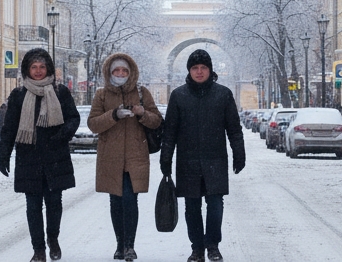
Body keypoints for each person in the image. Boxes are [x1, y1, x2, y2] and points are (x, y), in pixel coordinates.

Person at [161, 49, 244, 262]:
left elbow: (233, 128)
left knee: (215, 204)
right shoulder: (179, 95)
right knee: (192, 207)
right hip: (187, 161)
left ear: (210, 70)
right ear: (189, 70)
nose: (199, 72)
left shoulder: (223, 94)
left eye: (203, 68)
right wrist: (166, 157)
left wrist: (239, 152)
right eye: (195, 68)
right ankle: (197, 248)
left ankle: (213, 245)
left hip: (215, 159)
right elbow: (170, 130)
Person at [0, 48, 79, 262]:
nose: (38, 71)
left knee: (54, 203)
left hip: (55, 156)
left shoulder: (60, 92)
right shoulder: (18, 95)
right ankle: (38, 249)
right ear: (27, 69)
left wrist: (62, 134)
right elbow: (10, 127)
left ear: (49, 69)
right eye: (34, 67)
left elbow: (73, 118)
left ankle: (53, 239)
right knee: (33, 206)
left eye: (42, 67)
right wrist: (3, 155)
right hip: (29, 157)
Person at [89, 53, 163, 261]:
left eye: (124, 70)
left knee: (130, 200)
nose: (120, 74)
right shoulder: (102, 95)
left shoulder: (142, 92)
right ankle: (119, 245)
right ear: (109, 73)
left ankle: (130, 245)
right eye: (116, 70)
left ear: (131, 72)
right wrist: (114, 115)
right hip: (110, 157)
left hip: (135, 156)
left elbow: (156, 121)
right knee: (116, 201)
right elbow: (93, 124)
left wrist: (142, 113)